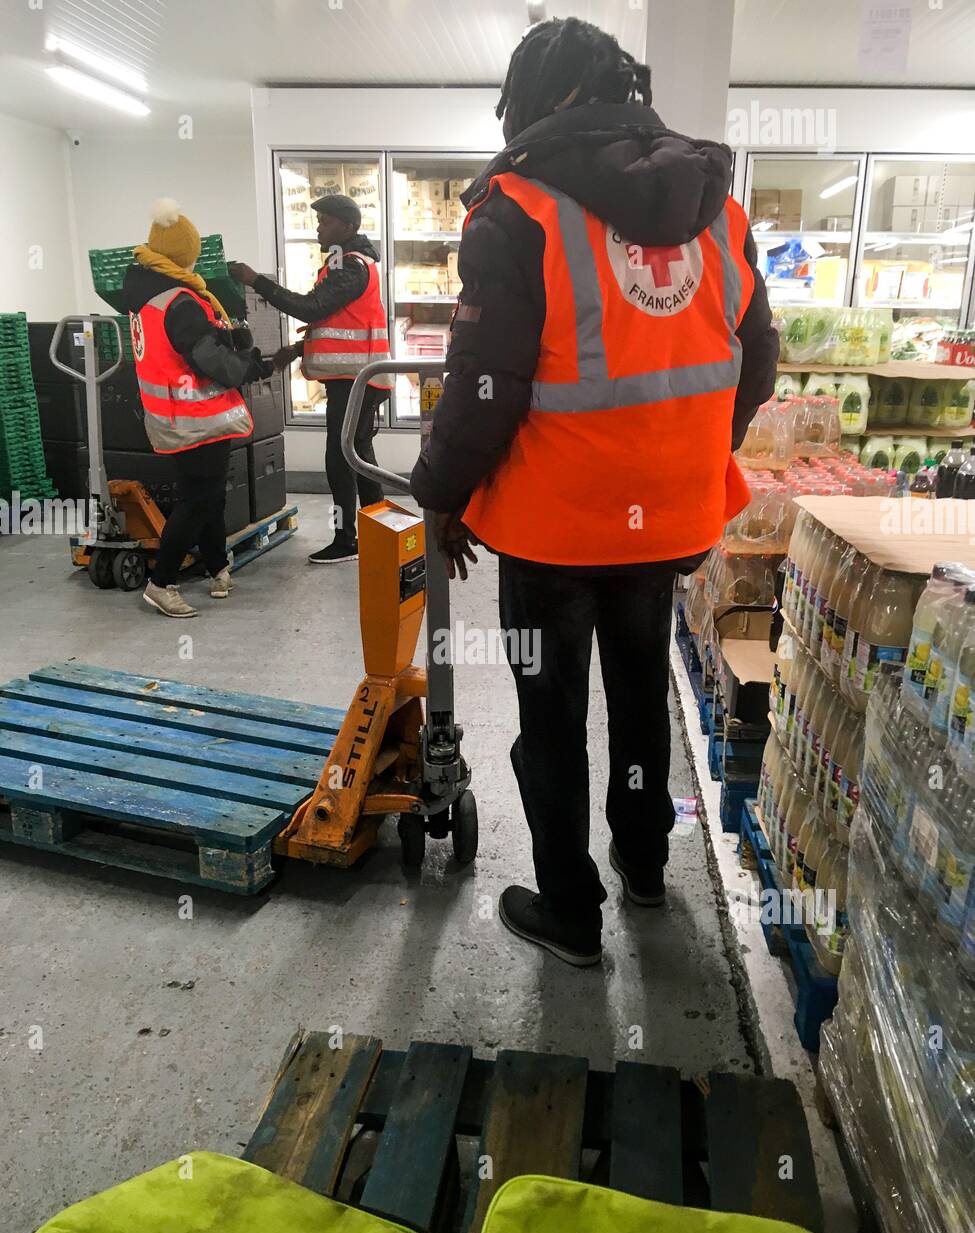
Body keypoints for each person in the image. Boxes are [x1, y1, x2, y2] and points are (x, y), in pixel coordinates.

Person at [411, 18, 778, 967]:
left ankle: (571, 912)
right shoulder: (717, 211)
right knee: (638, 695)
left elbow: (485, 383)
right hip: (665, 526)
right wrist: (693, 452)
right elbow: (757, 360)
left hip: (553, 529)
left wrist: (440, 494)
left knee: (549, 718)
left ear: (541, 98)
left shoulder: (517, 208)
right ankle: (646, 864)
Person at [123, 198, 275, 618]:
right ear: (186, 255)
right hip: (195, 417)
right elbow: (218, 367)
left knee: (205, 496)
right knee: (198, 501)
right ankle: (161, 582)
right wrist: (251, 363)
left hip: (172, 415)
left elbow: (187, 349)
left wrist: (228, 341)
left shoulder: (146, 297)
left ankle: (217, 567)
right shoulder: (181, 301)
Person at [229, 194, 391, 564]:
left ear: (348, 227)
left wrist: (256, 282)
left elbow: (310, 307)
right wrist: (299, 349)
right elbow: (335, 322)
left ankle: (347, 538)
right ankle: (376, 534)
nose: (319, 226)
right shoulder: (347, 262)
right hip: (357, 379)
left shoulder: (350, 266)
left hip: (356, 380)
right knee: (359, 456)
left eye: (327, 221)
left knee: (341, 458)